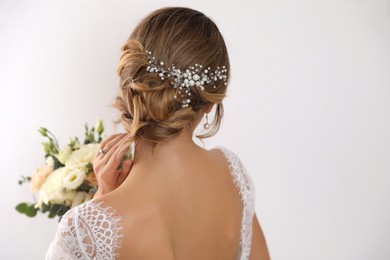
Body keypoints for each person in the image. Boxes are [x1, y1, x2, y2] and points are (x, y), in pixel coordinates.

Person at [45, 6, 270, 260]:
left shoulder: (85, 229)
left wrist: (102, 197)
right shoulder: (232, 175)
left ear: (129, 84)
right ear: (210, 101)